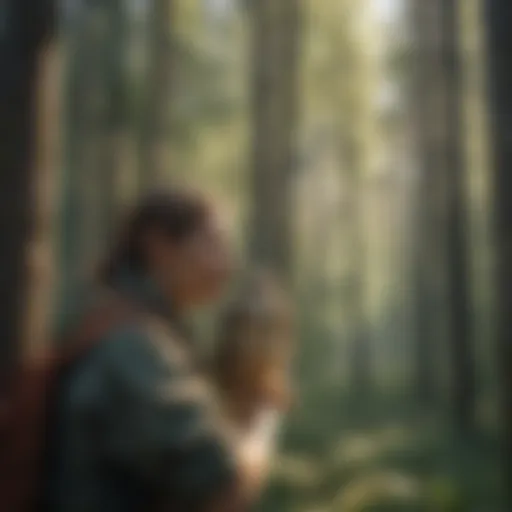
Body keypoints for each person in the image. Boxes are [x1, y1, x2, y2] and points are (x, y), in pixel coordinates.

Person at [42, 188, 270, 511]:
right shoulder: (132, 346)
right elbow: (222, 485)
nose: (227, 263)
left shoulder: (128, 327)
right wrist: (260, 419)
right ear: (159, 245)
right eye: (212, 243)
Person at [212, 271, 294, 477]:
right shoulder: (201, 390)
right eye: (250, 325)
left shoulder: (273, 398)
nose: (261, 341)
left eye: (272, 328)